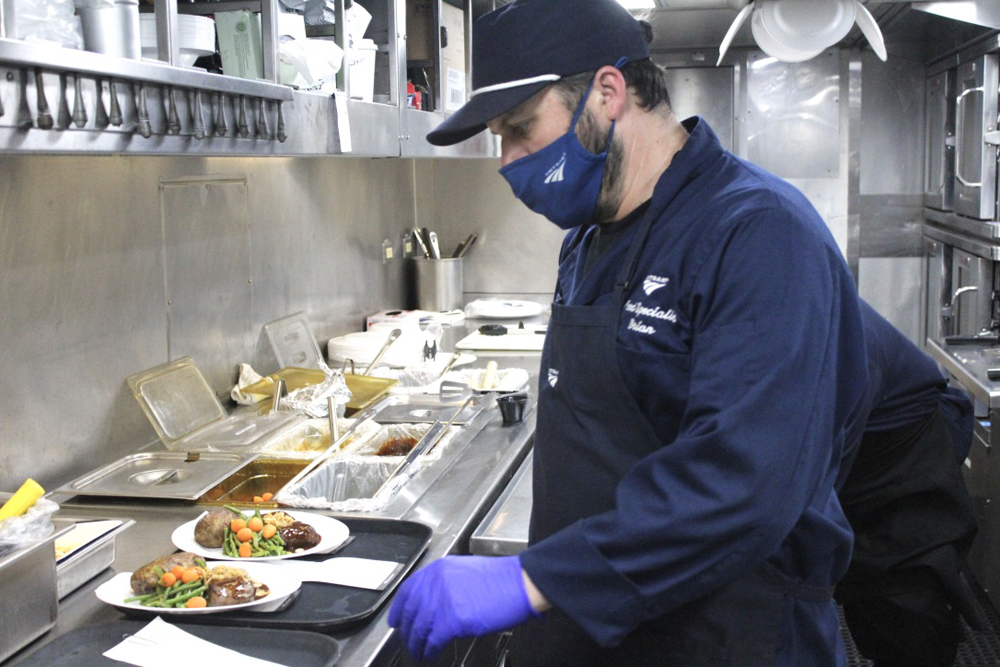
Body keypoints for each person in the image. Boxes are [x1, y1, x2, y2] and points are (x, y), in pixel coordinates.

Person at [388, 1, 869, 664]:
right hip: (592, 627)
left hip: (724, 636)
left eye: (521, 128)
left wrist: (532, 578)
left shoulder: (759, 233)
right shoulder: (588, 239)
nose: (507, 161)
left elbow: (743, 485)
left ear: (608, 92)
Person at [835, 300, 981, 667]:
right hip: (868, 443)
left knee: (902, 598)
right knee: (869, 590)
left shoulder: (823, 330)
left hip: (906, 452)